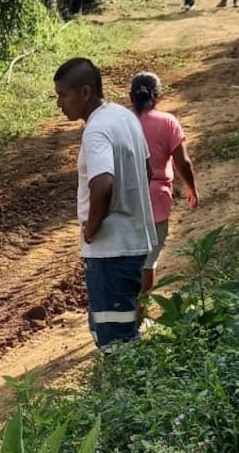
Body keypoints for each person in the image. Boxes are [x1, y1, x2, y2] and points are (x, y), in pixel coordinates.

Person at [54, 57, 157, 350]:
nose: (60, 104)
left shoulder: (96, 131)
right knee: (122, 330)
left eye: (64, 95)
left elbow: (103, 184)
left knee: (117, 343)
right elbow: (147, 170)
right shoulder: (125, 117)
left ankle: (131, 394)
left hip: (110, 252)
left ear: (85, 93)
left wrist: (91, 229)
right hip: (134, 245)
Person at [129, 72, 198, 310]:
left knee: (128, 259)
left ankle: (125, 311)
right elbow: (183, 162)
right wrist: (191, 187)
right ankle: (141, 312)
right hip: (157, 199)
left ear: (130, 97)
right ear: (159, 97)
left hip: (125, 199)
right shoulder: (168, 122)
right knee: (148, 262)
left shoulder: (122, 122)